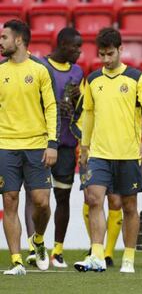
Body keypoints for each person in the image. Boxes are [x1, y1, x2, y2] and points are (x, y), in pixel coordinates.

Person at [73, 27, 142, 273]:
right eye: (102, 55)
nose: (106, 60)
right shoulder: (93, 79)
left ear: (120, 50)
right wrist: (85, 145)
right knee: (93, 198)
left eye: (110, 54)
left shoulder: (136, 77)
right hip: (99, 153)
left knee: (128, 206)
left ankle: (128, 258)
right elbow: (88, 113)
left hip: (128, 153)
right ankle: (97, 254)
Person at [0, 19, 59, 275]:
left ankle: (38, 240)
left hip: (36, 145)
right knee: (10, 201)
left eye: (4, 37)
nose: (1, 42)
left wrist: (52, 143)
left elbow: (52, 107)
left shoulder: (40, 70)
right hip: (5, 145)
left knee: (41, 202)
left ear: (19, 40)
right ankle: (16, 261)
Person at [23, 27, 84, 269]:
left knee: (63, 197)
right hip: (40, 142)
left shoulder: (78, 72)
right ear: (61, 44)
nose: (79, 51)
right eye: (75, 47)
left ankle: (57, 251)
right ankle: (33, 246)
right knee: (35, 196)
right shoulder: (41, 67)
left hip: (67, 145)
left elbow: (81, 110)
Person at [71, 87, 123, 268]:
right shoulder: (91, 89)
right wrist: (88, 139)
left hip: (118, 151)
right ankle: (96, 248)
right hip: (91, 153)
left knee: (115, 201)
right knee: (91, 199)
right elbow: (75, 123)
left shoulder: (123, 89)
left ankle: (108, 253)